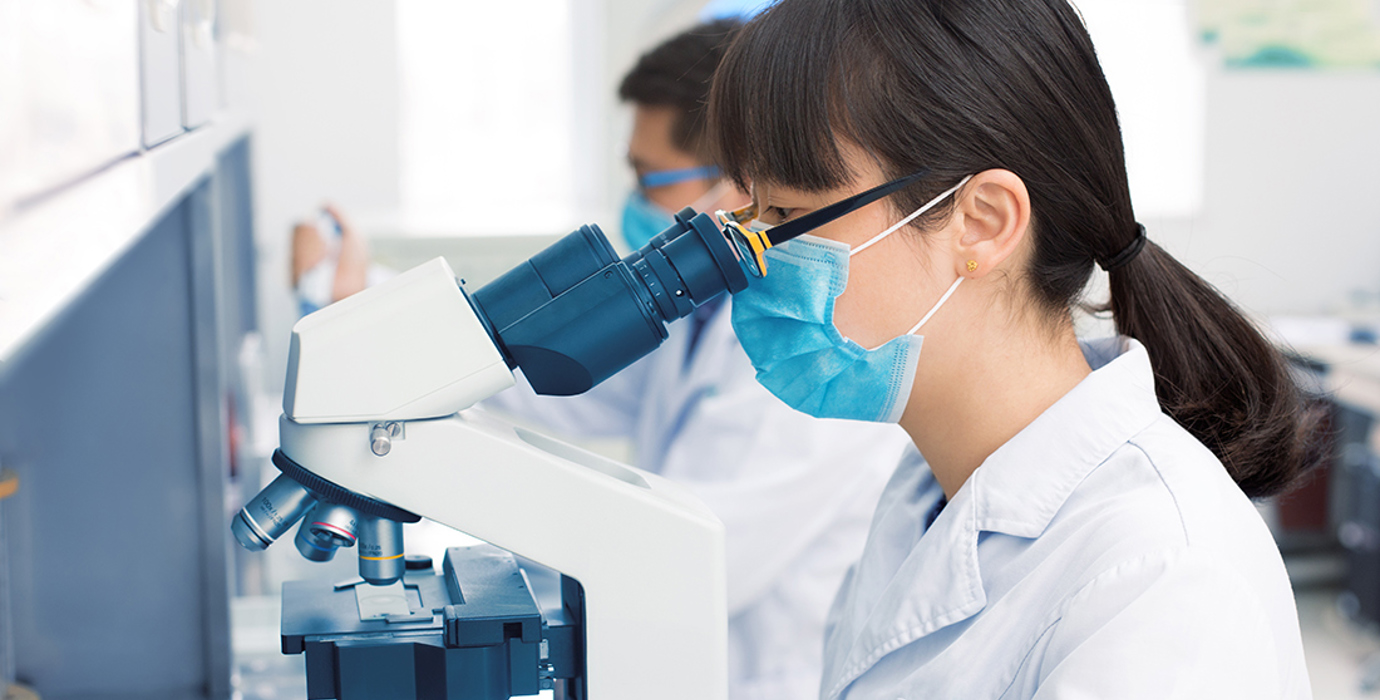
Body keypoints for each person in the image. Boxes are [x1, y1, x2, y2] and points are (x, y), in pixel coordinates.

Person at [706, 1, 1323, 698]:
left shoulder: (1158, 576)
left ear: (983, 222)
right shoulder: (926, 492)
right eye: (751, 212)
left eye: (785, 215)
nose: (751, 258)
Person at [482, 19, 913, 700]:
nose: (636, 204)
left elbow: (698, 563)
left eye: (650, 179)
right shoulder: (705, 313)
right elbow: (539, 380)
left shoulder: (812, 352)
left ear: (737, 186)